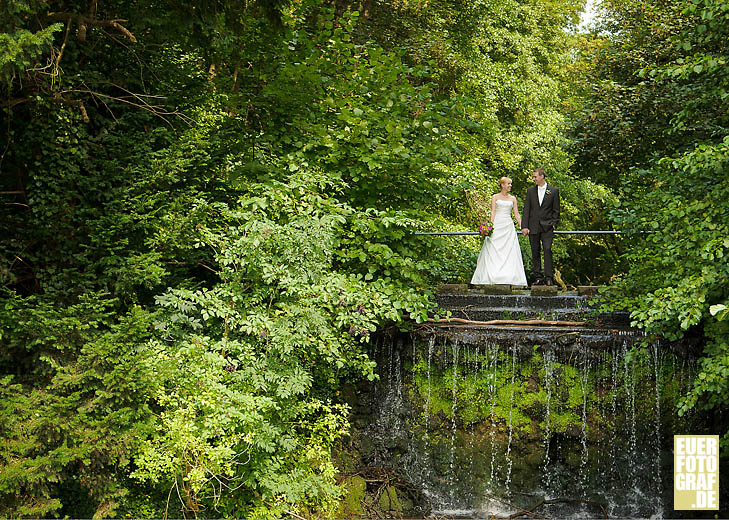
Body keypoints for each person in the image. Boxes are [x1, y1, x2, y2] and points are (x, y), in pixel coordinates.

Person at [471, 177, 528, 286]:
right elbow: (493, 212)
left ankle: (508, 276)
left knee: (508, 250)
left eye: (511, 184)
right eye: (508, 184)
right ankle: (493, 275)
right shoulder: (495, 197)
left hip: (508, 226)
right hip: (497, 225)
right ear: (502, 185)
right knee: (493, 249)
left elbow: (516, 214)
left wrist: (523, 227)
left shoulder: (513, 199)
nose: (510, 186)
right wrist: (490, 226)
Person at [521, 168, 560, 286]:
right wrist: (524, 226)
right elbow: (526, 209)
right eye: (533, 177)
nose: (533, 179)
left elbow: (556, 209)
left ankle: (549, 277)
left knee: (547, 250)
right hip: (533, 226)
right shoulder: (530, 191)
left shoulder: (553, 191)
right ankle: (538, 277)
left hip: (548, 227)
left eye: (535, 177)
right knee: (535, 252)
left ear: (542, 176)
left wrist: (554, 223)